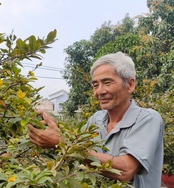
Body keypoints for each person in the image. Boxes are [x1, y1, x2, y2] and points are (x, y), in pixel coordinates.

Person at [28, 52, 164, 187]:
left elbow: (126, 170)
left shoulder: (148, 119)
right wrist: (54, 128)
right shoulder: (96, 119)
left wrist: (63, 143)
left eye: (107, 82)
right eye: (95, 85)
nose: (99, 91)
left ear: (130, 84)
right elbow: (75, 145)